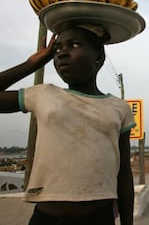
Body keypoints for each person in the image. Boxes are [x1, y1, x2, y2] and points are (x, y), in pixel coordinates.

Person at [0, 27, 135, 225]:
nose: (62, 53)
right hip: (46, 219)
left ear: (99, 58)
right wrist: (32, 63)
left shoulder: (119, 108)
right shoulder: (44, 94)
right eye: (57, 49)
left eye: (74, 45)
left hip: (99, 218)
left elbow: (124, 174)